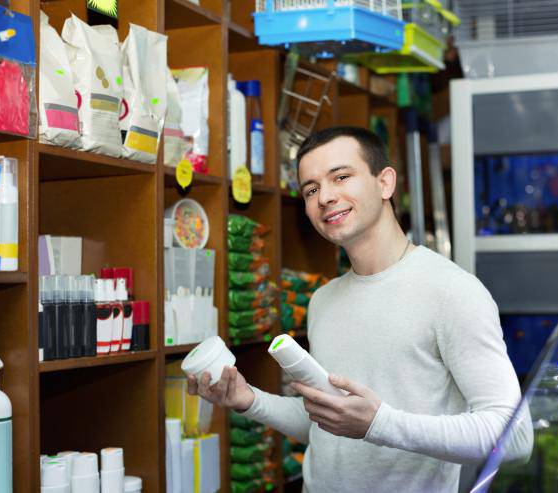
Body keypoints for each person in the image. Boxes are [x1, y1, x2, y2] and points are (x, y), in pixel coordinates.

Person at [189, 126, 530, 492]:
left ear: (385, 183)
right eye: (312, 189)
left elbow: (515, 436)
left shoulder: (452, 291)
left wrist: (380, 424)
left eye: (341, 177)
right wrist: (248, 400)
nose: (325, 197)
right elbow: (330, 428)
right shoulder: (323, 301)